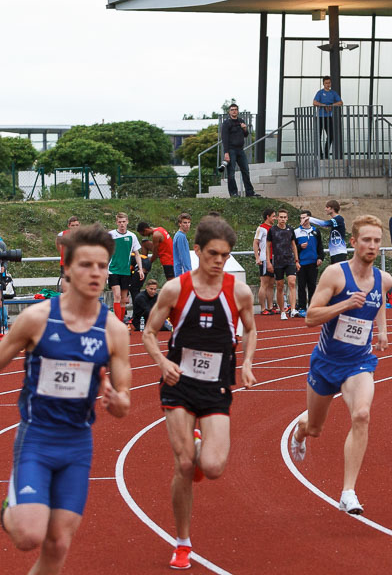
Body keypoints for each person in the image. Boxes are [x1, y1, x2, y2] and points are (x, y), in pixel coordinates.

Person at [0, 225, 131, 575]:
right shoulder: (37, 318)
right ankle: (9, 507)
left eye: (102, 266)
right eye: (87, 265)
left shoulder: (113, 330)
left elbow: (124, 401)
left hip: (77, 444)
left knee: (58, 544)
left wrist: (117, 402)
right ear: (68, 268)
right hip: (37, 439)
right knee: (29, 535)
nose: (96, 273)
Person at [143, 217, 257, 570]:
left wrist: (248, 364)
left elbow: (251, 330)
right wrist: (162, 362)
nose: (219, 260)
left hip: (217, 385)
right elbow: (148, 332)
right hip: (179, 383)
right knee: (184, 464)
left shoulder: (238, 291)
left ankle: (197, 445)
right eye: (212, 253)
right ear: (197, 251)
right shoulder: (176, 289)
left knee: (213, 467)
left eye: (224, 254)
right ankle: (182, 541)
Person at [288, 215, 390, 514]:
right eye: (367, 240)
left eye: (377, 241)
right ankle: (300, 430)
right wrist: (345, 304)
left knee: (361, 414)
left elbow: (379, 301)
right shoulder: (335, 274)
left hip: (358, 362)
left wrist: (382, 329)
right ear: (353, 242)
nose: (372, 246)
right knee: (316, 427)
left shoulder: (382, 279)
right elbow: (310, 317)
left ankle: (348, 492)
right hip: (325, 362)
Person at [108, 212, 144, 324]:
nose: (122, 224)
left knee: (124, 299)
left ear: (127, 222)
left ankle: (121, 322)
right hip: (113, 269)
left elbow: (137, 254)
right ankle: (117, 324)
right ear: (116, 223)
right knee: (117, 296)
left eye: (124, 222)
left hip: (125, 271)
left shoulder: (132, 236)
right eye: (119, 222)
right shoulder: (111, 235)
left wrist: (141, 269)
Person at [219, 104, 256, 198]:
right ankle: (233, 193)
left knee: (246, 171)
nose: (234, 111)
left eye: (235, 109)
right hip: (231, 150)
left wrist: (244, 128)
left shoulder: (241, 121)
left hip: (240, 149)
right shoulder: (226, 123)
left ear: (238, 111)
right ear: (229, 112)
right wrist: (226, 153)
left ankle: (250, 192)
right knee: (231, 173)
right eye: (232, 110)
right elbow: (224, 138)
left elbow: (246, 134)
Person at [269, 210, 299, 320]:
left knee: (291, 282)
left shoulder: (290, 230)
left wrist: (297, 260)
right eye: (280, 217)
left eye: (284, 217)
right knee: (280, 286)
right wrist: (268, 261)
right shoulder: (272, 230)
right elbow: (268, 246)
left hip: (290, 260)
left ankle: (293, 309)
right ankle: (282, 311)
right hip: (278, 261)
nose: (282, 219)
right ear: (277, 218)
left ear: (287, 218)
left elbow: (294, 245)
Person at [295, 210, 324, 318]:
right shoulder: (296, 232)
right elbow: (292, 248)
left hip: (313, 263)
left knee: (312, 286)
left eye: (305, 218)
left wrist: (320, 258)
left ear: (309, 219)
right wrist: (299, 247)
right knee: (301, 286)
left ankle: (312, 307)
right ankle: (302, 307)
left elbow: (320, 246)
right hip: (301, 263)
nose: (303, 220)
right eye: (301, 218)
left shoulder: (316, 231)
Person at [254, 209, 278, 315]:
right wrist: (257, 257)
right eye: (273, 216)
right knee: (264, 283)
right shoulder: (261, 228)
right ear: (267, 217)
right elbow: (255, 243)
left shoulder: (273, 229)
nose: (275, 218)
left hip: (274, 258)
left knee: (271, 283)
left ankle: (270, 306)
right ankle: (263, 308)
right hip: (264, 258)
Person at [312, 76, 343, 158]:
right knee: (318, 136)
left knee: (331, 135)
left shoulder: (333, 93)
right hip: (319, 117)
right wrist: (324, 105)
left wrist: (331, 105)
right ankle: (320, 154)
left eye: (329, 83)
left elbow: (340, 102)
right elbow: (314, 102)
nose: (327, 84)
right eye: (326, 83)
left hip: (328, 117)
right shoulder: (320, 93)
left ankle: (326, 153)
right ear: (323, 84)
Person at [55, 216, 80, 289]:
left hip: (79, 263)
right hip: (66, 263)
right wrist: (61, 252)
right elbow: (57, 242)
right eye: (73, 225)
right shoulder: (62, 234)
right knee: (65, 282)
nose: (75, 227)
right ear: (69, 226)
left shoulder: (83, 235)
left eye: (76, 225)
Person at [172, 213, 192, 277]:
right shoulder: (181, 236)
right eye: (185, 223)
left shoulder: (180, 235)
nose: (187, 225)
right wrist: (189, 273)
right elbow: (184, 257)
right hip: (182, 272)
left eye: (188, 222)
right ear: (180, 224)